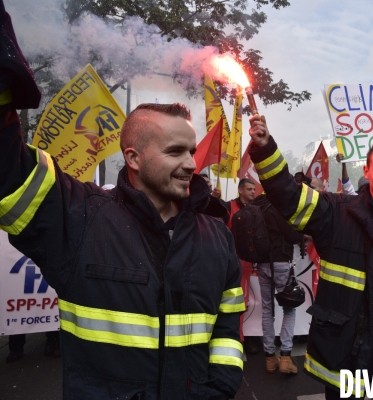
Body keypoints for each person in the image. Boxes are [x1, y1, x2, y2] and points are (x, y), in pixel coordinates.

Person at [0, 12, 243, 396]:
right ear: (133, 158)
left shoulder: (217, 236)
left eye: (192, 151)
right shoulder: (79, 217)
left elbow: (228, 328)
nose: (190, 164)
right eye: (175, 151)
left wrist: (221, 389)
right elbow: (7, 169)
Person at [248, 116, 373, 399]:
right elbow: (288, 197)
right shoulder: (336, 212)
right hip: (352, 337)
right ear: (367, 171)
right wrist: (265, 149)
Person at [252, 194, 304, 374]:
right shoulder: (278, 209)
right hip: (281, 263)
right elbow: (292, 235)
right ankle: (286, 357)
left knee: (267, 310)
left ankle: (269, 358)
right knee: (289, 308)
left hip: (262, 264)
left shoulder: (255, 208)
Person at [226, 178, 261, 354]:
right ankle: (237, 339)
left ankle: (251, 338)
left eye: (254, 189)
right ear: (240, 190)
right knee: (237, 303)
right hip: (235, 262)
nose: (253, 192)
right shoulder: (228, 207)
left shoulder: (259, 210)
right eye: (249, 189)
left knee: (253, 303)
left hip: (253, 264)